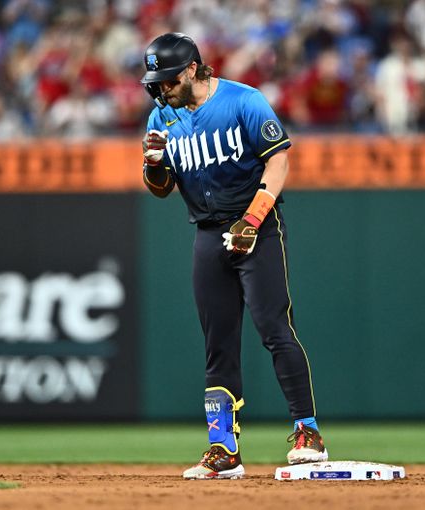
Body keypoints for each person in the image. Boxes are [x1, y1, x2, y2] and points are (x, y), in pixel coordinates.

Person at [139, 32, 327, 480]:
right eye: (156, 82)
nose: (161, 89)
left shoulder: (245, 100)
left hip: (255, 227)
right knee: (216, 344)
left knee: (274, 328)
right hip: (206, 232)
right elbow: (161, 189)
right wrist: (153, 165)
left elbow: (278, 160)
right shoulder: (162, 116)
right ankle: (223, 449)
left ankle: (308, 431)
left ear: (190, 70)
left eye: (167, 80)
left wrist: (253, 217)